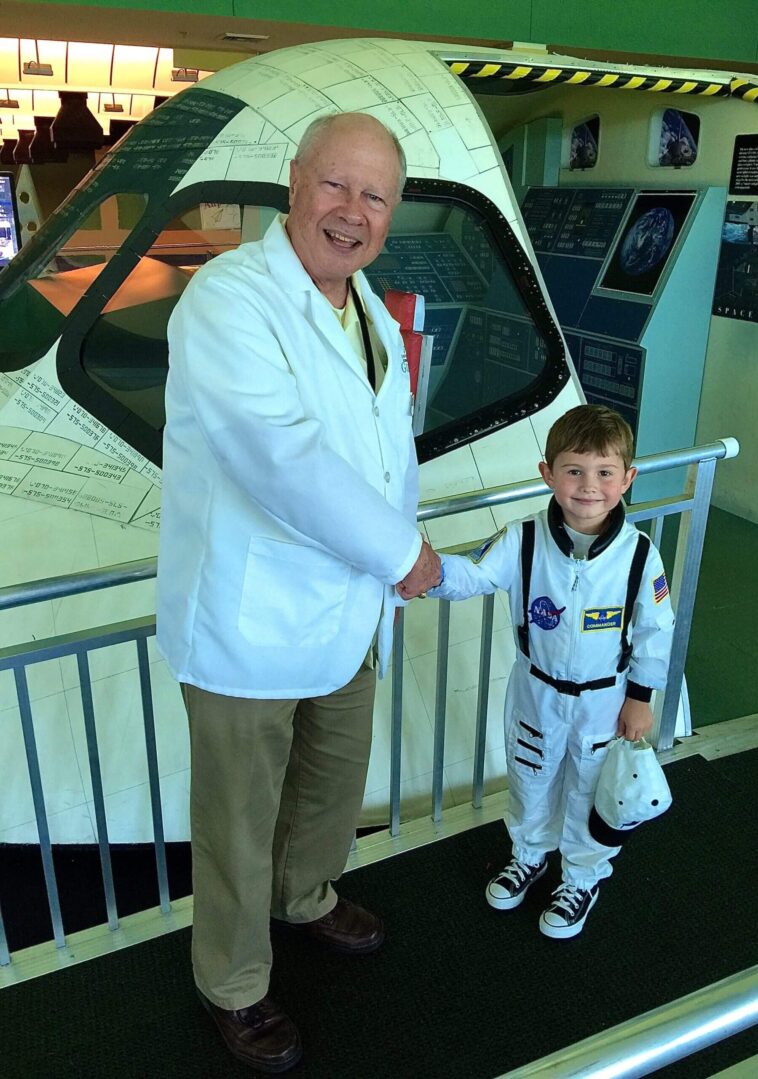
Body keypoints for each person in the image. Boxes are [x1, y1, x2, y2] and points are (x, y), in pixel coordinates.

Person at [156, 112, 441, 1073]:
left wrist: (391, 555)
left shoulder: (367, 313)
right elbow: (282, 459)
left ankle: (307, 896)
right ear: (293, 182)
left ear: (389, 216)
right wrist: (402, 552)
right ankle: (231, 980)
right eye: (335, 184)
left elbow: (382, 453)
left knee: (328, 785)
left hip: (346, 607)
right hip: (250, 618)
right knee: (238, 816)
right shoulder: (229, 301)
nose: (351, 212)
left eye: (374, 196)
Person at [400, 404, 674, 939]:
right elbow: (472, 575)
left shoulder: (640, 557)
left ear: (628, 478)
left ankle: (582, 875)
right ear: (547, 473)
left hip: (604, 699)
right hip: (536, 691)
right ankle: (529, 854)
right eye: (573, 471)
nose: (588, 486)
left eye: (604, 473)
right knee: (531, 778)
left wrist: (640, 697)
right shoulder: (522, 540)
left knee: (590, 788)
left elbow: (653, 633)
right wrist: (427, 570)